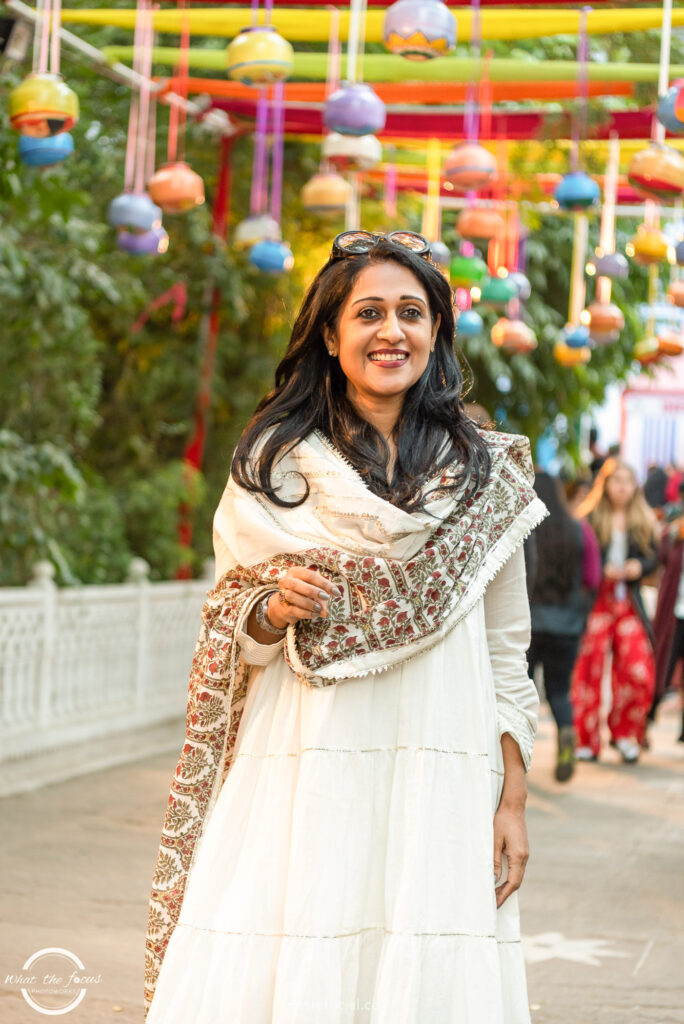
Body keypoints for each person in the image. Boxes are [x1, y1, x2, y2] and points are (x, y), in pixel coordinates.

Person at [144, 230, 549, 1023]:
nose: (391, 331)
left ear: (436, 332)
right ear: (331, 335)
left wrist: (512, 801)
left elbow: (508, 647)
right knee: (304, 952)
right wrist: (273, 608)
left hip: (443, 768)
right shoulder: (276, 464)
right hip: (308, 766)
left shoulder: (483, 473)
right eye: (369, 313)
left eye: (411, 313)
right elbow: (235, 620)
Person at [570, 458, 658, 764]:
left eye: (627, 480)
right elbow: (577, 557)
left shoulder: (643, 519)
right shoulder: (590, 518)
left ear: (635, 486)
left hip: (628, 602)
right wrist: (599, 571)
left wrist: (639, 567)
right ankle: (586, 739)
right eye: (616, 480)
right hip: (596, 601)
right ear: (605, 484)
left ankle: (625, 733)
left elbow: (653, 558)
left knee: (638, 668)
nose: (621, 486)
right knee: (588, 668)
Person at [528, 473, 601, 782]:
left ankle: (517, 757)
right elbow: (593, 578)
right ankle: (567, 736)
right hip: (567, 625)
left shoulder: (526, 529)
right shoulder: (579, 529)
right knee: (559, 691)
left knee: (521, 691)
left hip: (530, 624)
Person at [649, 510, 684, 743]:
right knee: (661, 667)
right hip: (674, 613)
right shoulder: (674, 535)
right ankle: (645, 721)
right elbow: (656, 558)